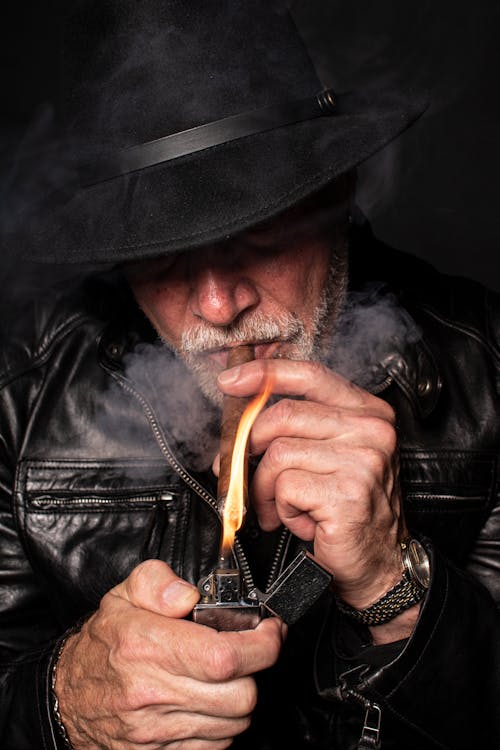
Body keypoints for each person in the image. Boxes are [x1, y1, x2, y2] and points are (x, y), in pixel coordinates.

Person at [0, 1, 498, 748]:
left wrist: (395, 585)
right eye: (163, 255)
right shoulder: (18, 396)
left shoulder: (489, 374)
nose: (218, 304)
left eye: (255, 233)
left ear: (335, 194)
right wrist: (65, 702)